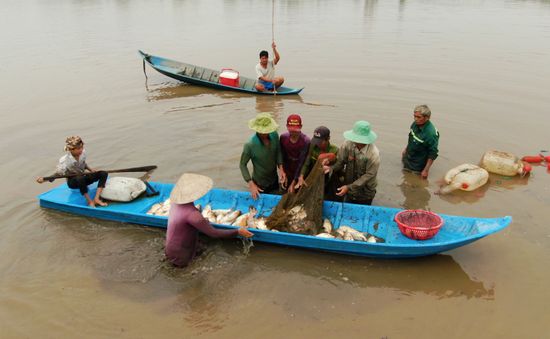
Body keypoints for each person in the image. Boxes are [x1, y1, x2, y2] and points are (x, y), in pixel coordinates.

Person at [165, 173, 253, 267]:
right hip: (181, 253)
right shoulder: (193, 214)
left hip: (170, 246)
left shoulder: (175, 203)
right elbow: (214, 234)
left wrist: (202, 221)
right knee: (184, 272)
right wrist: (237, 231)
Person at [36, 136, 108, 208]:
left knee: (103, 173)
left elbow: (83, 163)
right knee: (80, 178)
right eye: (78, 149)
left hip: (83, 176)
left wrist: (91, 170)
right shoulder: (65, 160)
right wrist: (44, 179)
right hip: (73, 182)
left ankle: (96, 199)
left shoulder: (83, 153)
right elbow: (57, 174)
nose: (81, 150)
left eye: (82, 147)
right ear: (71, 150)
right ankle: (90, 202)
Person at [323, 121, 380, 205]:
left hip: (366, 191)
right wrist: (331, 168)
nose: (356, 141)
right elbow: (340, 161)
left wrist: (349, 187)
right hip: (349, 186)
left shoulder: (373, 154)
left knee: (361, 211)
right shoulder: (347, 144)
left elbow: (369, 175)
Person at [240, 112, 286, 199]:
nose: (265, 133)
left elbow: (278, 151)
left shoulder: (274, 135)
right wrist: (251, 184)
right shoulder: (250, 145)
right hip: (259, 184)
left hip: (274, 180)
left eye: (268, 130)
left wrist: (281, 168)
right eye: (263, 131)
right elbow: (242, 165)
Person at [295, 126, 339, 191]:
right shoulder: (313, 148)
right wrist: (301, 176)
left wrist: (330, 166)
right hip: (314, 177)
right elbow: (306, 163)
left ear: (328, 139)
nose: (318, 144)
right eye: (316, 141)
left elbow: (339, 166)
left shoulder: (335, 150)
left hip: (329, 179)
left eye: (320, 142)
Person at [402, 104, 440, 179]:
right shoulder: (415, 124)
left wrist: (426, 170)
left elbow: (433, 153)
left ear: (427, 118)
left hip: (418, 164)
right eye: (414, 116)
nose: (415, 119)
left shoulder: (431, 134)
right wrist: (406, 149)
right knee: (405, 178)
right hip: (408, 157)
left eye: (419, 117)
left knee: (414, 181)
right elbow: (411, 137)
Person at [279, 114, 310, 193]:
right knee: (284, 189)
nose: (293, 133)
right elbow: (281, 156)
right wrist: (283, 172)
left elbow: (301, 162)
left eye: (295, 130)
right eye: (291, 130)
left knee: (297, 191)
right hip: (287, 169)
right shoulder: (283, 138)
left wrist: (294, 182)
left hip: (299, 171)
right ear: (286, 126)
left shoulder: (305, 141)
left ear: (301, 127)